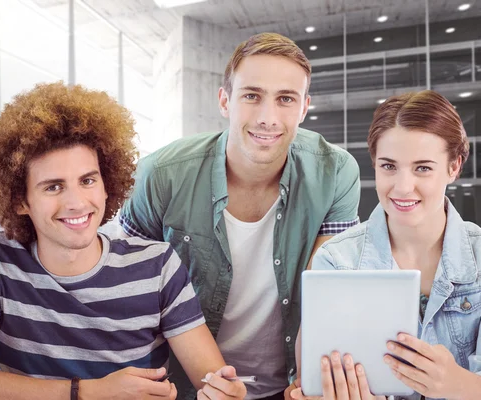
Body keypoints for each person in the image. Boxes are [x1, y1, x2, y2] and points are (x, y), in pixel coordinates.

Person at [0, 82, 246, 400]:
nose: (77, 202)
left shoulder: (157, 264)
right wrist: (89, 392)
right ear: (21, 201)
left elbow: (209, 377)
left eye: (87, 181)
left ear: (106, 185)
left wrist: (224, 391)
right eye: (53, 187)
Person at [120, 32, 361, 399]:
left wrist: (313, 382)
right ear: (224, 100)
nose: (268, 118)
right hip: (183, 388)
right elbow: (124, 295)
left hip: (293, 387)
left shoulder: (336, 172)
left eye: (285, 99)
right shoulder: (161, 175)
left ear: (304, 107)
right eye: (252, 96)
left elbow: (327, 296)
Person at [288, 90, 481, 400]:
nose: (402, 187)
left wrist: (456, 384)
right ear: (374, 163)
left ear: (454, 167)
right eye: (389, 166)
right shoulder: (335, 260)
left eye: (423, 168)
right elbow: (316, 377)